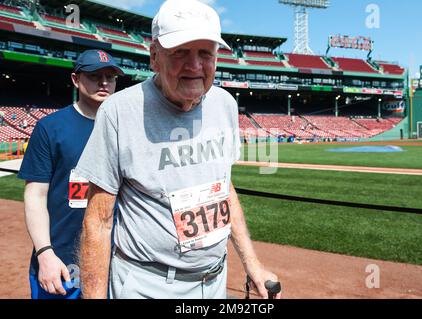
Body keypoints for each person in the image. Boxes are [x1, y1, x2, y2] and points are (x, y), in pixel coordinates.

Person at [75, 0, 281, 299]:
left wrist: (253, 264)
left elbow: (224, 188)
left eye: (205, 53)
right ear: (154, 57)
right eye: (180, 52)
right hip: (147, 284)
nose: (195, 66)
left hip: (214, 280)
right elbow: (99, 220)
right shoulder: (119, 111)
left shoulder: (225, 104)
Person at [17, 49, 124, 299]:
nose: (104, 82)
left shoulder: (127, 128)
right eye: (95, 75)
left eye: (111, 76)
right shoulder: (50, 128)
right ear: (76, 79)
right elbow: (35, 195)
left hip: (115, 262)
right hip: (62, 264)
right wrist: (44, 253)